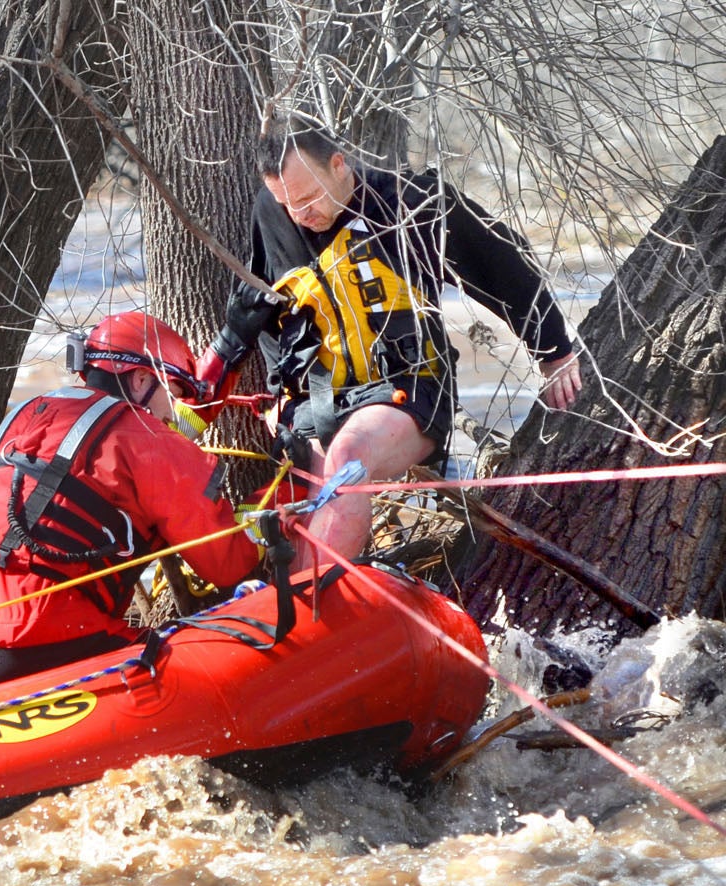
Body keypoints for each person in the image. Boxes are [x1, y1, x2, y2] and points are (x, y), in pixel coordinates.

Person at [195, 120, 580, 564]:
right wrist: (281, 399)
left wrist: (555, 353)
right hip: (322, 401)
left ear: (339, 165)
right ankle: (301, 609)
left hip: (410, 392)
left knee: (349, 456)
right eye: (288, 204)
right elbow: (269, 308)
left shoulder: (409, 204)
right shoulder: (274, 212)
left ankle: (307, 613)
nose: (301, 214)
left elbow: (503, 264)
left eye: (307, 198)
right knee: (300, 518)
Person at [0, 311, 266, 694]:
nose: (175, 412)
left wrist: (230, 345)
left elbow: (158, 433)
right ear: (140, 380)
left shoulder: (33, 415)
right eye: (176, 395)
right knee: (220, 670)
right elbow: (231, 564)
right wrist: (287, 489)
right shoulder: (149, 440)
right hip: (45, 639)